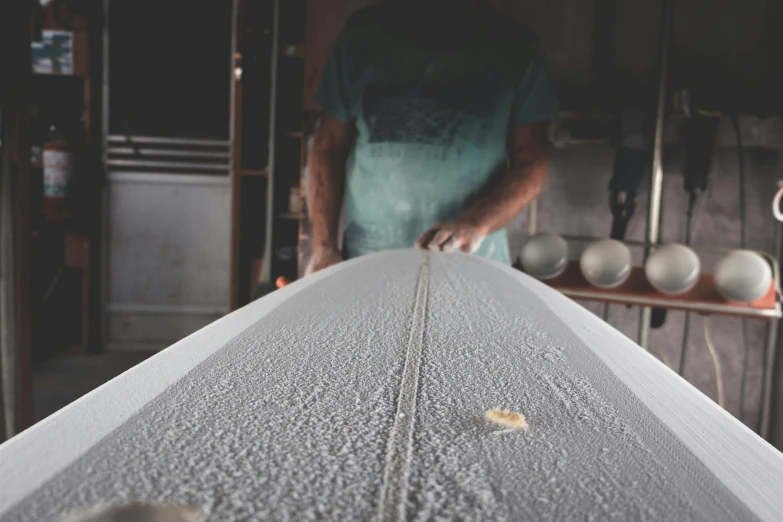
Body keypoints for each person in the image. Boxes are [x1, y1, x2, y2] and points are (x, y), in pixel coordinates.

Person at [305, 0, 558, 276]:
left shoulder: (517, 46)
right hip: (370, 262)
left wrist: (475, 224)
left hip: (471, 264)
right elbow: (327, 146)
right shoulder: (362, 35)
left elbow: (533, 160)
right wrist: (324, 247)